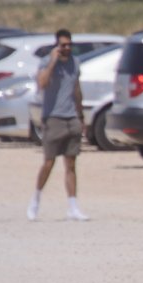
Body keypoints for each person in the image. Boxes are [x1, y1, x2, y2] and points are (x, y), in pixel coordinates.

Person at [26, 29, 87, 222]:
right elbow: (42, 83)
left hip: (71, 117)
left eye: (69, 45)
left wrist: (81, 115)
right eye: (63, 45)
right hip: (53, 117)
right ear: (56, 45)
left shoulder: (75, 63)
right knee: (49, 161)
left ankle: (73, 206)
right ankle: (35, 198)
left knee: (71, 163)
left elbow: (76, 89)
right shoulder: (46, 62)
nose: (67, 48)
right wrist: (53, 61)